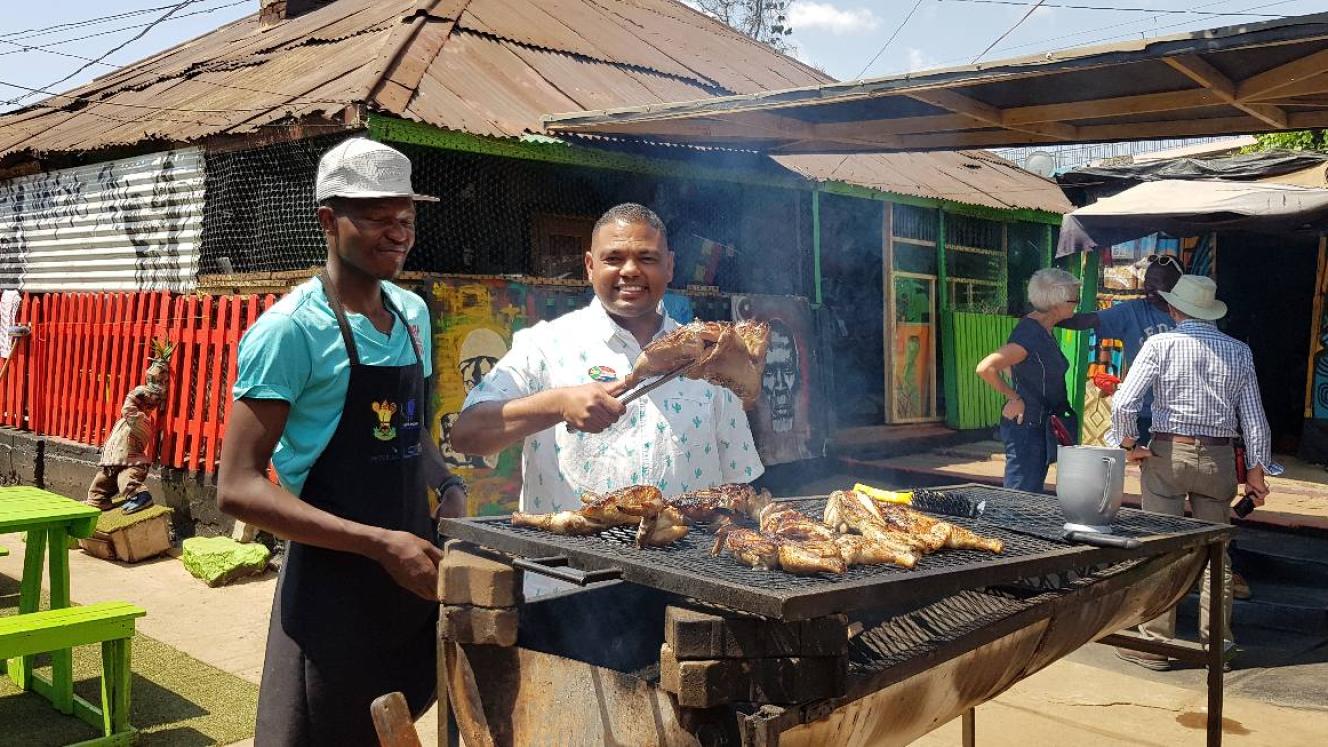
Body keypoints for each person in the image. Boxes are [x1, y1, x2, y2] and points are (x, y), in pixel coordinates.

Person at [217, 138, 466, 745]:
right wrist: (380, 544)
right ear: (329, 221)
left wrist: (451, 486)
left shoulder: (412, 314)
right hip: (332, 596)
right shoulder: (290, 330)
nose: (398, 233)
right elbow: (237, 488)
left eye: (405, 218)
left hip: (409, 587)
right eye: (378, 217)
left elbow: (411, 434)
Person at [449, 203, 765, 514]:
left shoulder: (711, 357)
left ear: (669, 266)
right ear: (590, 266)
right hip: (567, 565)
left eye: (647, 258)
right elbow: (467, 434)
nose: (629, 270)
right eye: (613, 258)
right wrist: (558, 405)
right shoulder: (544, 346)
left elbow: (737, 482)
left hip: (682, 564)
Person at [1109, 275, 1272, 672]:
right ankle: (1216, 647)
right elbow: (1254, 420)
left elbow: (1124, 404)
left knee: (1163, 548)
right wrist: (1257, 471)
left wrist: (1130, 446)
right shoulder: (1238, 351)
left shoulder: (1160, 344)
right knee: (1216, 553)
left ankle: (1157, 644)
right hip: (1217, 460)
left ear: (1175, 308)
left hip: (1168, 453)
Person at [975, 268, 1081, 492]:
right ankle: (1007, 528)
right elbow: (986, 367)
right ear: (1056, 303)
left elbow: (1011, 365)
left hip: (1039, 425)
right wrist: (1014, 397)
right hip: (1027, 427)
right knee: (1021, 494)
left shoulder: (1043, 328)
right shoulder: (1030, 334)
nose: (1076, 304)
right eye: (1074, 300)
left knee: (1029, 491)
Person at [1059, 254, 1182, 443]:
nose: (1148, 287)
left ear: (1176, 284)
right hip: (1145, 413)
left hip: (1182, 414)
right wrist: (1049, 317)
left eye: (1157, 282)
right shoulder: (1133, 311)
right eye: (1147, 281)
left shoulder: (1192, 316)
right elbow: (1089, 320)